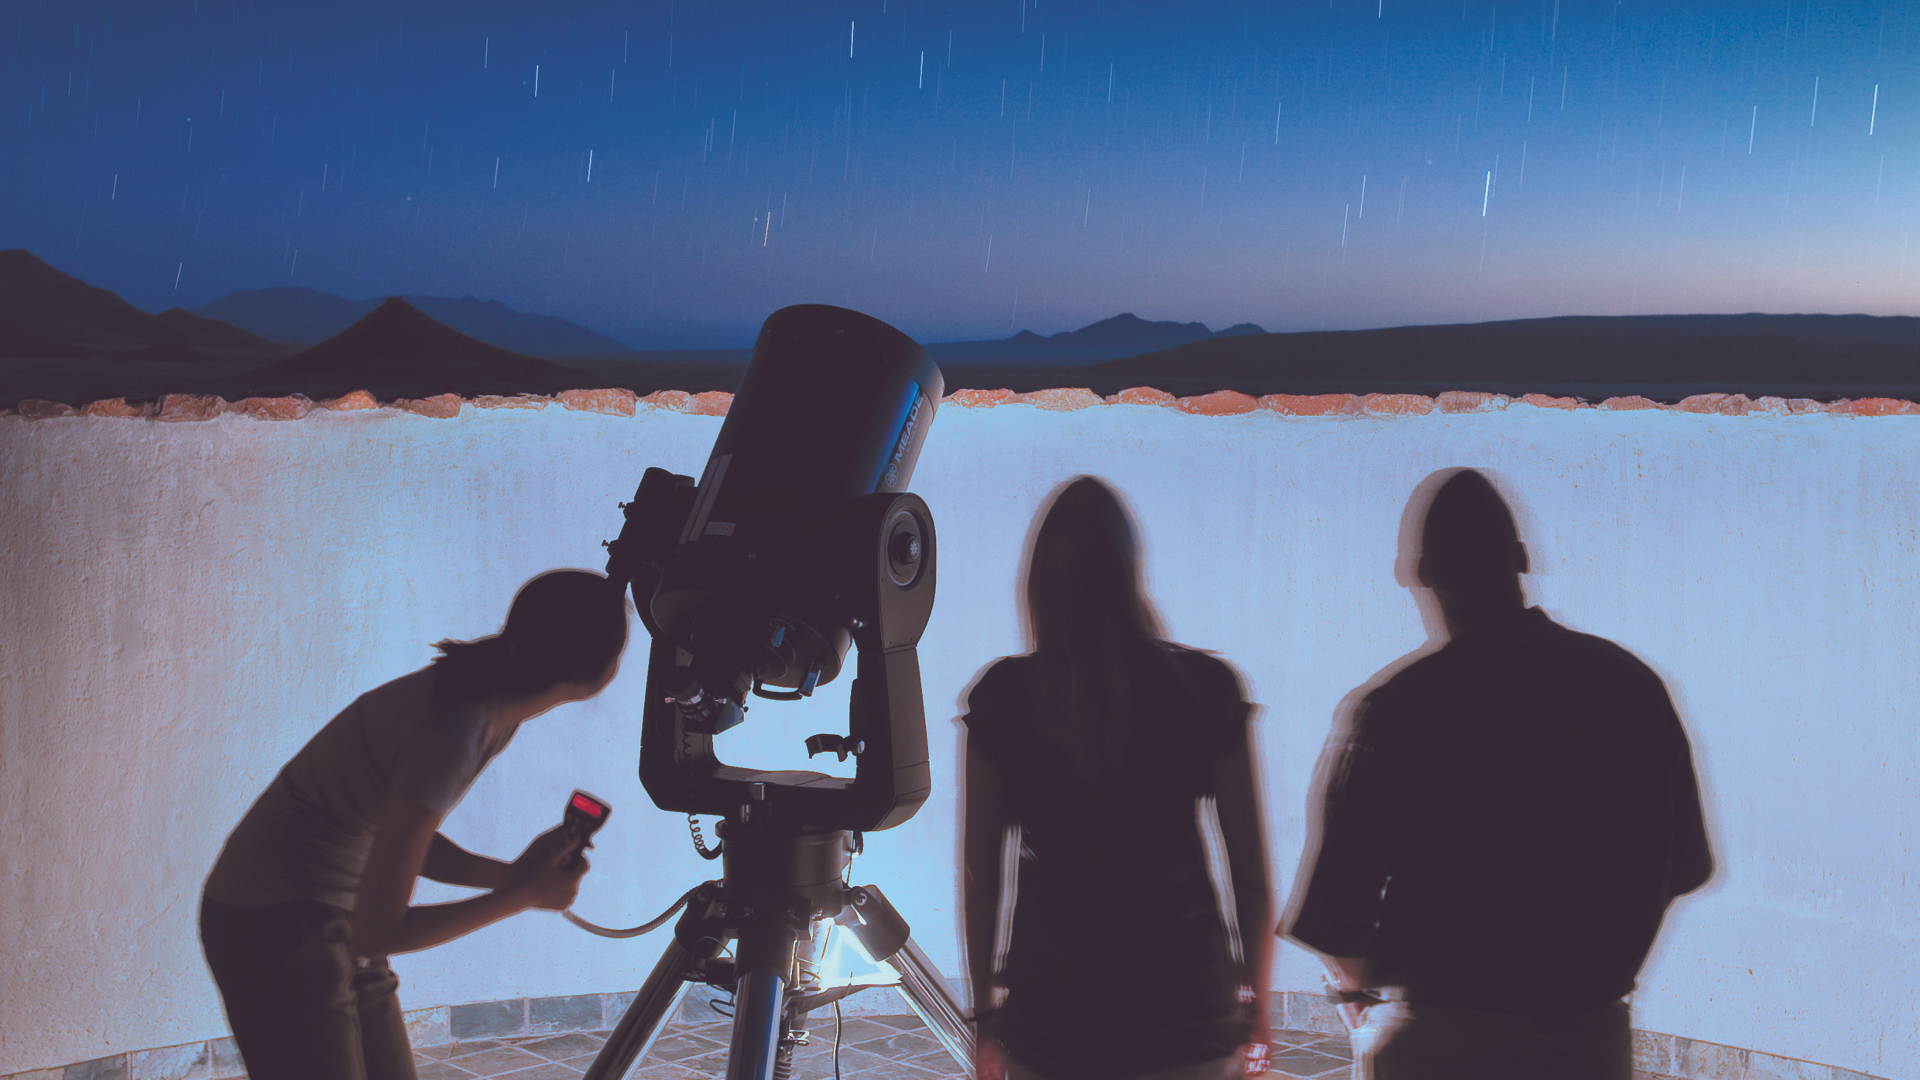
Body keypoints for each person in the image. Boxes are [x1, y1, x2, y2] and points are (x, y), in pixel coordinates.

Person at [1284, 469, 1713, 1080]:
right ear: (1520, 558)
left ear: (1420, 575)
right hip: (1590, 1042)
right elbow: (1689, 863)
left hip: (1445, 1045)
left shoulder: (1397, 711)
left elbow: (1335, 913)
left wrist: (1360, 997)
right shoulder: (1629, 687)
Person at [199, 569, 631, 1080]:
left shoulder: (488, 705)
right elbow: (380, 929)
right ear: (599, 673)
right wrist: (524, 896)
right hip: (275, 920)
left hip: (328, 916)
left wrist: (511, 875)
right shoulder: (459, 725)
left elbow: (396, 838)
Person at [960, 477, 1274, 1080]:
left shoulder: (1004, 700)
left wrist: (985, 1017)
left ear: (1038, 583)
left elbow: (981, 878)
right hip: (1188, 1019)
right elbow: (1252, 873)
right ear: (1130, 568)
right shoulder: (1205, 690)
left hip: (1056, 1022)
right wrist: (1256, 1003)